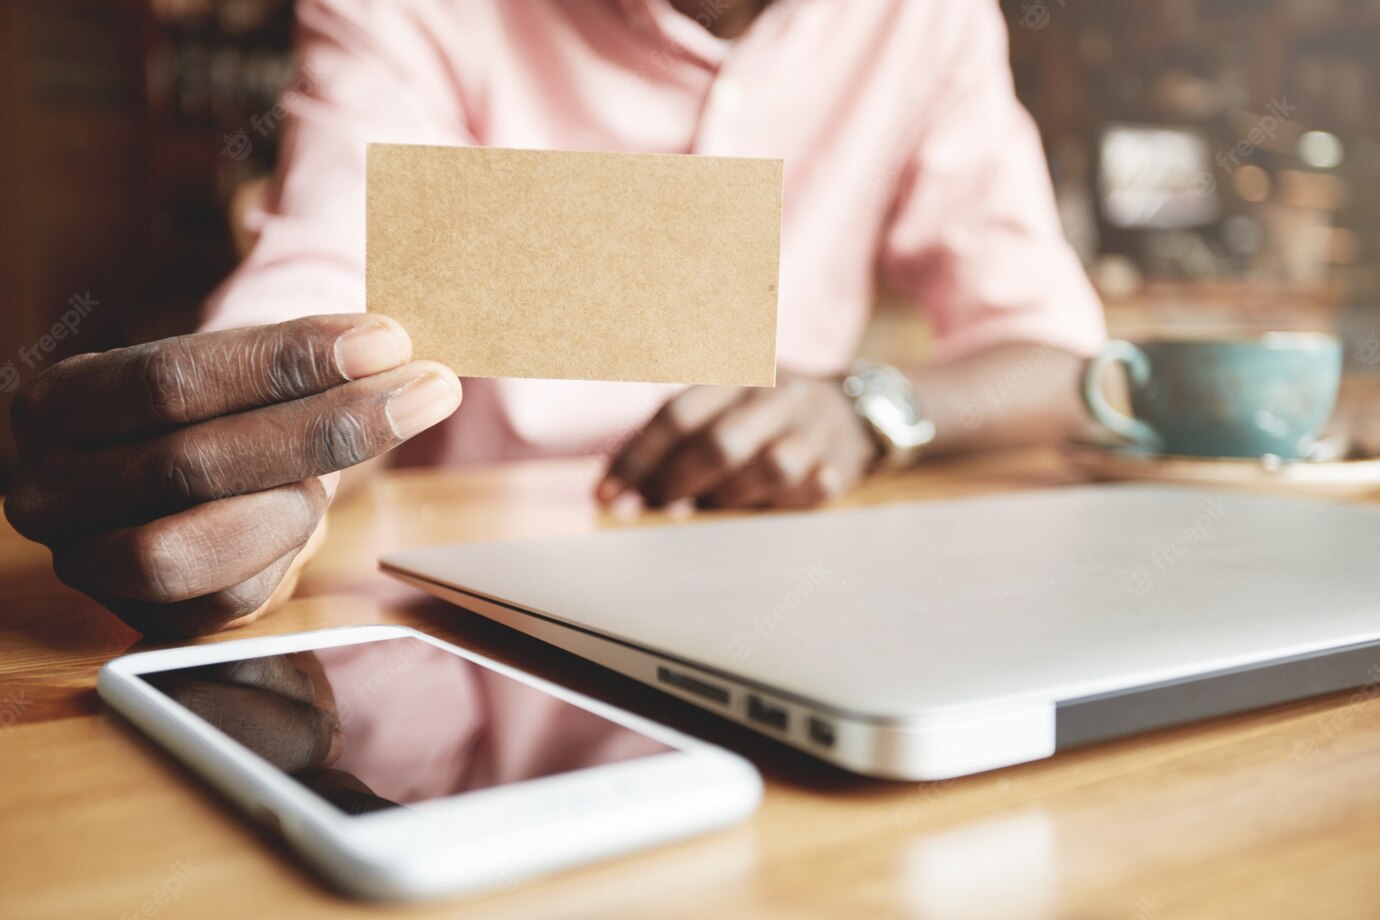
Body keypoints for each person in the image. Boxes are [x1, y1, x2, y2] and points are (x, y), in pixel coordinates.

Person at [4, 0, 1105, 638]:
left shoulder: (930, 20)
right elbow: (335, 270)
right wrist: (263, 460)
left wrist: (873, 405)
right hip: (463, 596)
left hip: (789, 585)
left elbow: (1060, 352)